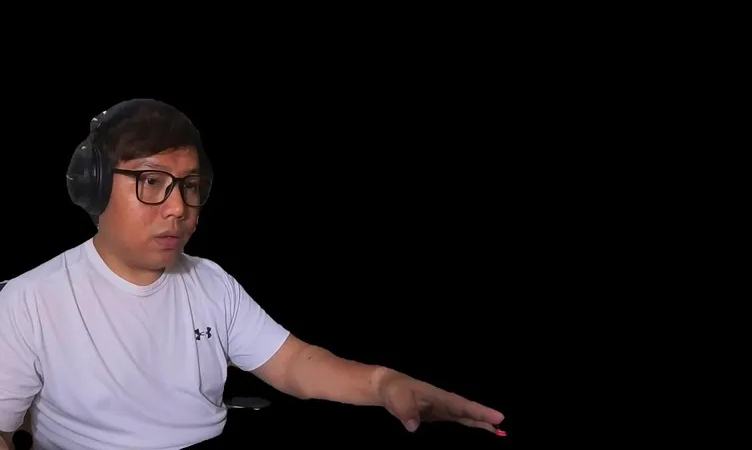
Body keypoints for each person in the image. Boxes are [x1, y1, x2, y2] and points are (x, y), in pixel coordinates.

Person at [0, 99, 505, 450]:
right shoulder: (29, 301)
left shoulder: (211, 282)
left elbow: (294, 365)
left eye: (190, 186)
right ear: (93, 188)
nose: (178, 208)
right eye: (152, 182)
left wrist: (383, 382)